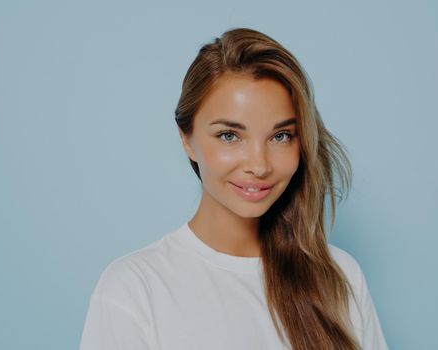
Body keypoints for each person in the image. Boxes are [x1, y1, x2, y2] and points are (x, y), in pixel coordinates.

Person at [79, 27, 389, 350]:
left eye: (280, 136)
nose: (259, 165)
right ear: (187, 138)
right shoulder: (133, 291)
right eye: (230, 135)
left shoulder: (339, 277)